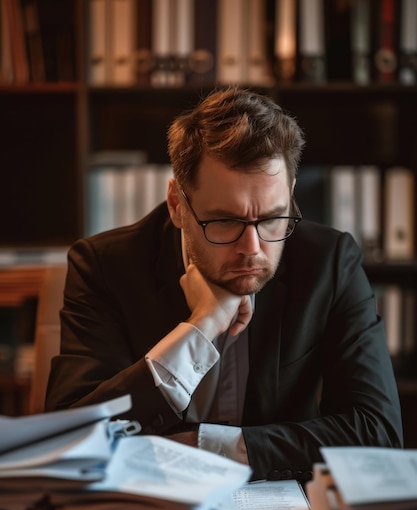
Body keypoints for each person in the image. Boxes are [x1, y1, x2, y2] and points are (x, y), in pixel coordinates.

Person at [45, 87, 403, 481]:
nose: (252, 250)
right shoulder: (106, 266)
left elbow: (378, 434)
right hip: (144, 509)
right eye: (225, 221)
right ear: (178, 206)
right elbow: (70, 436)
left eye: (271, 218)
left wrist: (210, 447)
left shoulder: (328, 262)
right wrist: (201, 328)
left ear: (291, 196)